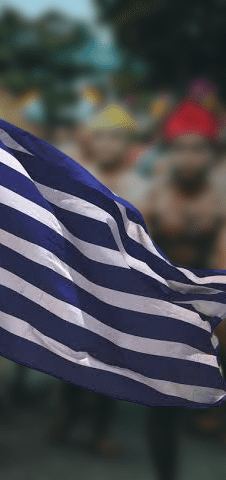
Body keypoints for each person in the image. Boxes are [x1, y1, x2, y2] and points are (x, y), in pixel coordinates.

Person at [49, 104, 144, 458]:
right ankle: (68, 413)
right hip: (78, 282)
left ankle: (101, 430)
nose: (106, 144)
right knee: (72, 354)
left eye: (115, 137)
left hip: (122, 290)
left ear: (129, 144)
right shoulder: (78, 177)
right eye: (100, 136)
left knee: (114, 362)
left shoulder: (141, 185)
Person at [141, 100, 225, 480]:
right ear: (170, 152)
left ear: (210, 153)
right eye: (181, 148)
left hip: (216, 318)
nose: (189, 158)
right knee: (160, 412)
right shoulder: (153, 196)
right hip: (163, 314)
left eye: (198, 148)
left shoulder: (221, 199)